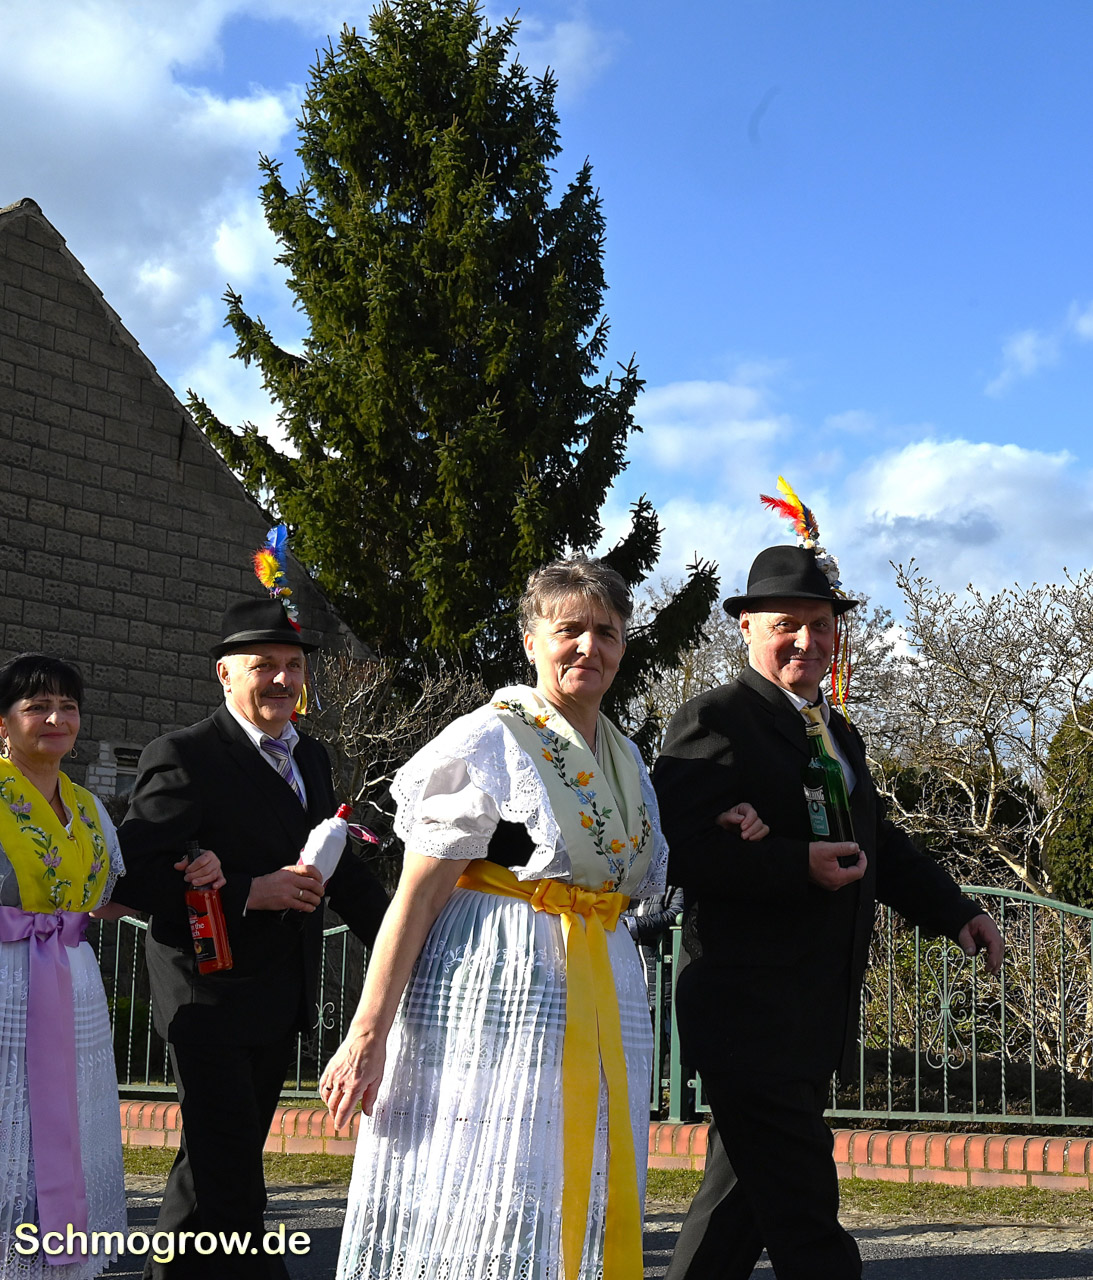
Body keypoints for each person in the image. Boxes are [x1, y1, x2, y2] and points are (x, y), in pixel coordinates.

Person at [320, 557, 768, 1280]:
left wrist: (721, 822)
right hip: (498, 989)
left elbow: (629, 870)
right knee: (485, 1181)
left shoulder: (624, 757)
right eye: (570, 630)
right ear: (531, 641)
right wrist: (368, 1033)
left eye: (607, 632)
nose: (589, 647)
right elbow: (418, 895)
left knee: (567, 1183)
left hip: (601, 988)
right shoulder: (488, 740)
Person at [654, 544, 1004, 1280]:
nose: (806, 641)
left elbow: (878, 845)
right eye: (786, 623)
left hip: (815, 1012)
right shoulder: (713, 720)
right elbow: (675, 852)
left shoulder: (836, 732)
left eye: (820, 625)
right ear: (747, 627)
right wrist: (793, 863)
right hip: (748, 1012)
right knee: (808, 1218)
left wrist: (955, 912)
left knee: (736, 1209)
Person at [119, 598, 389, 1279]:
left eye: (293, 666)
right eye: (264, 665)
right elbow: (134, 875)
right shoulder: (183, 755)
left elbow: (338, 870)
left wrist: (408, 942)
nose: (282, 680)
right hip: (206, 997)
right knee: (232, 1179)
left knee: (210, 1172)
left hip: (277, 995)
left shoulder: (312, 757)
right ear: (225, 674)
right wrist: (247, 890)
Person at [0, 652, 221, 1280]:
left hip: (72, 980)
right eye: (37, 706)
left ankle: (58, 1263)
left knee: (69, 1122)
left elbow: (109, 898)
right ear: (3, 723)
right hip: (7, 980)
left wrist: (197, 872)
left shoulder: (89, 807)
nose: (56, 719)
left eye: (67, 706)